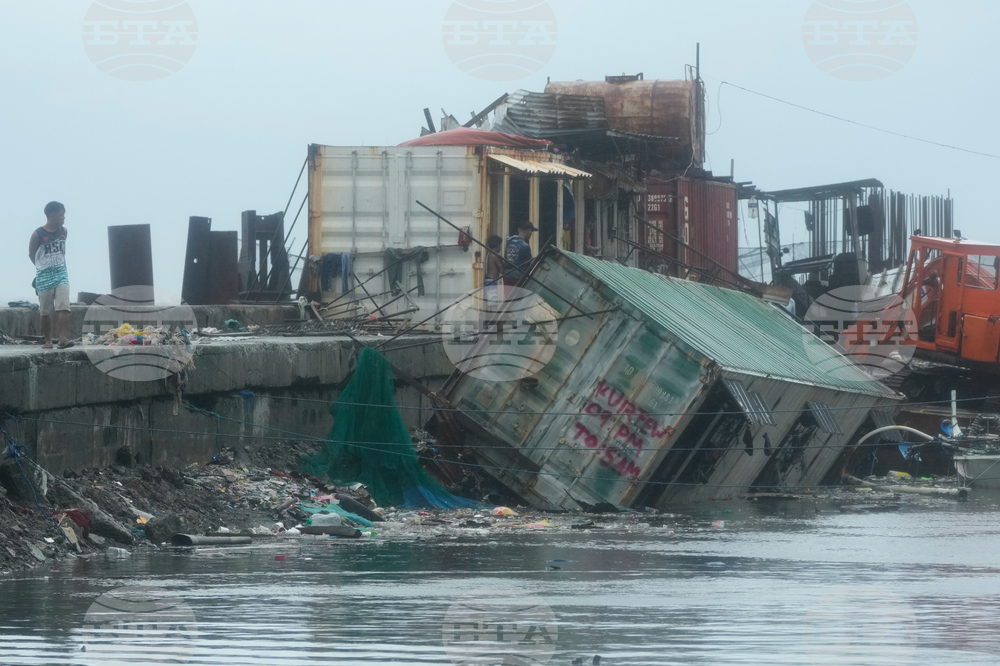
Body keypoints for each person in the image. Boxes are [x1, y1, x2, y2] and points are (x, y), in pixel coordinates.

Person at [29, 201, 73, 349]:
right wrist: (42, 267)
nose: (63, 218)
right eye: (61, 214)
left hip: (61, 273)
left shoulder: (63, 231)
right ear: (52, 215)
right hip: (44, 276)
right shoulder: (37, 234)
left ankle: (63, 338)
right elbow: (32, 254)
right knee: (46, 311)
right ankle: (48, 340)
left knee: (63, 306)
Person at [504, 221, 535, 286]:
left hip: (507, 275)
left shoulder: (509, 242)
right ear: (529, 231)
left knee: (508, 296)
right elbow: (530, 263)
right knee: (518, 295)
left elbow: (505, 258)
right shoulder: (525, 246)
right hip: (518, 277)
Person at [483, 235, 504, 305]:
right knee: (494, 304)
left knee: (490, 302)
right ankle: (494, 316)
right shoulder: (496, 256)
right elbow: (501, 269)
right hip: (492, 281)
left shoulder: (489, 254)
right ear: (497, 245)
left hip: (488, 280)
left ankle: (491, 315)